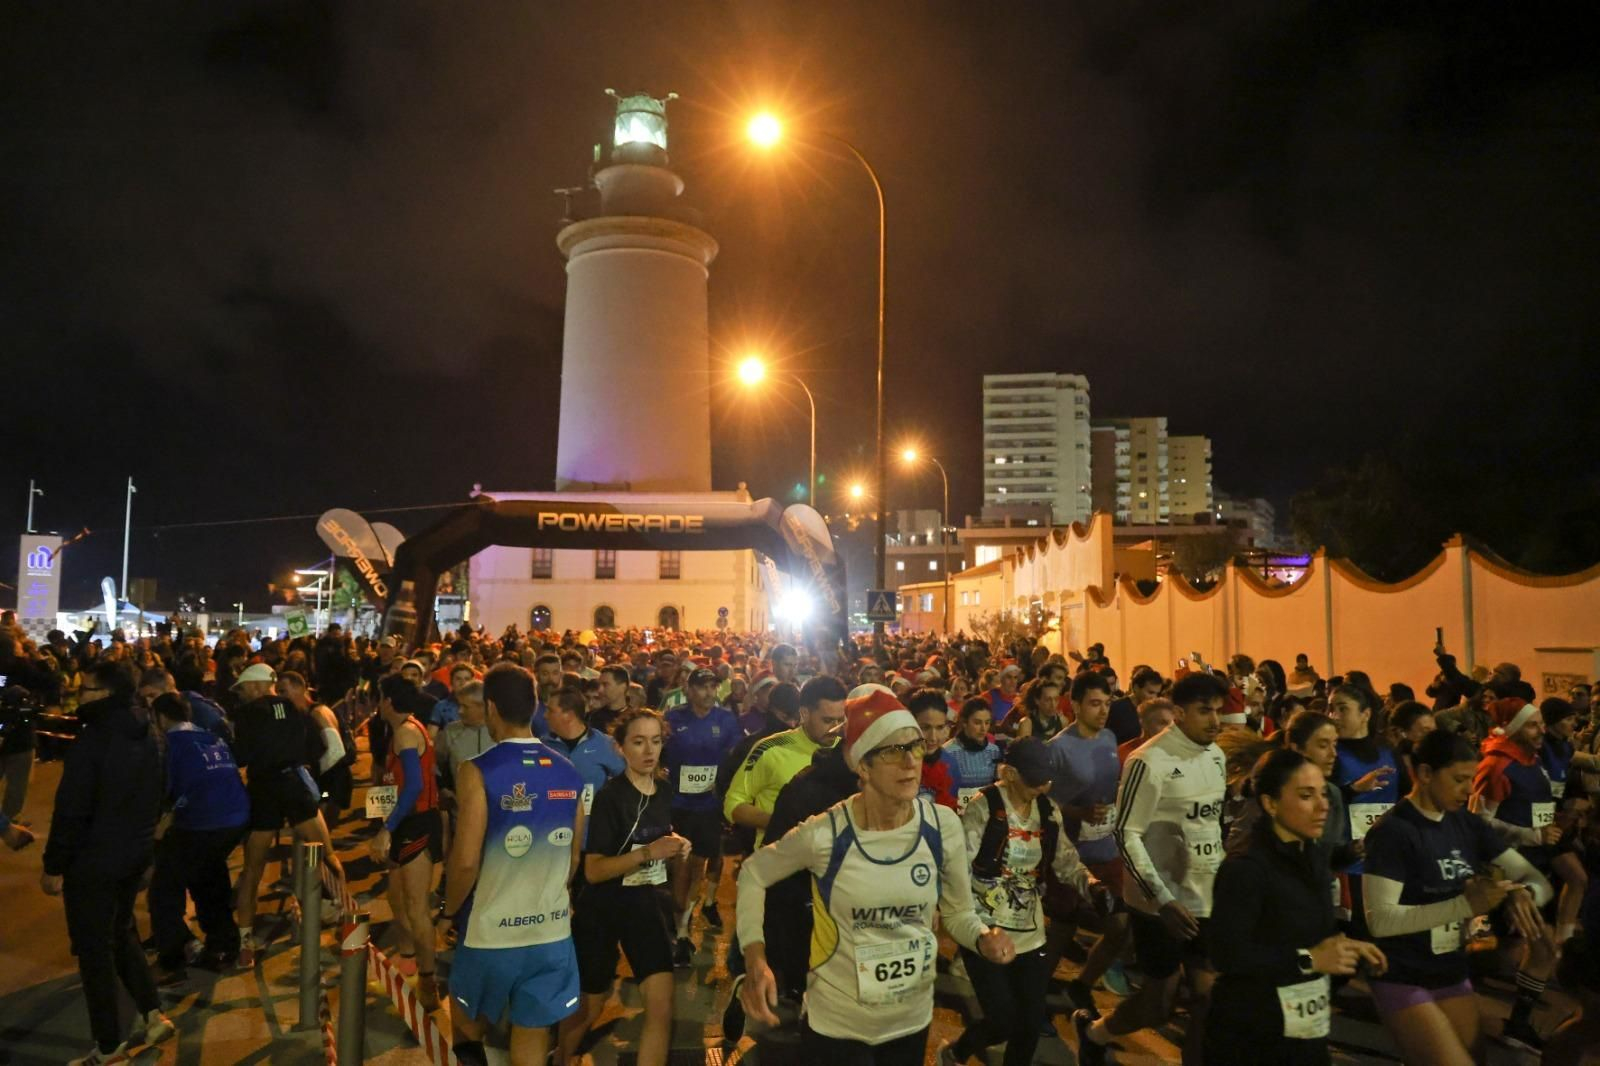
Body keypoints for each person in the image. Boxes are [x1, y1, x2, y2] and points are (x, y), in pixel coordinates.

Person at [737, 689, 1015, 1066]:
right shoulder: (826, 833)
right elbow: (754, 873)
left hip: (910, 1020)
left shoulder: (942, 826)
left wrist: (983, 937)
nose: (909, 763)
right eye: (891, 751)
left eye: (914, 747)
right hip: (837, 1023)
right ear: (862, 767)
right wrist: (755, 958)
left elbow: (958, 914)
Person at [1363, 729, 1553, 1064]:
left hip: (1450, 967)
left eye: (1472, 779)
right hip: (1402, 972)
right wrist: (1465, 905)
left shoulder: (1466, 823)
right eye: (1459, 779)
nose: (1469, 790)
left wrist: (1521, 891)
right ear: (1424, 774)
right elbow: (1380, 921)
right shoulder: (1394, 831)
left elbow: (1535, 878)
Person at [1074, 671, 1230, 1066]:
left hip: (1206, 898)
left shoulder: (1217, 755)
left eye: (1218, 711)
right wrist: (1162, 900)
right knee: (1159, 1004)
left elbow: (1213, 824)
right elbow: (1127, 834)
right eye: (1204, 712)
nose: (1215, 720)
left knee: (1207, 998)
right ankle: (1095, 1034)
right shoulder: (1149, 761)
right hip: (1156, 905)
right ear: (1178, 712)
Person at [1206, 748, 1387, 1065]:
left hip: (1305, 1032)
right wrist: (1310, 959)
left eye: (1323, 794)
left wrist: (1344, 946)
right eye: (1306, 796)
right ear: (1270, 803)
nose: (1323, 806)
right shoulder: (1246, 867)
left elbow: (1298, 930)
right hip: (1252, 1035)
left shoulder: (1311, 853)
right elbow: (1227, 954)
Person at [444, 662, 585, 1066]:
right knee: (532, 1033)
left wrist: (447, 912)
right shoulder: (568, 772)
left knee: (468, 1026)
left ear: (491, 707)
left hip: (489, 932)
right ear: (534, 705)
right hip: (550, 932)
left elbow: (466, 861)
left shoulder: (477, 770)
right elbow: (574, 855)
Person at [41, 660, 175, 1066]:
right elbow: (159, 791)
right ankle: (152, 1013)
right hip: (133, 853)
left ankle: (108, 1047)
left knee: (94, 951)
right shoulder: (149, 730)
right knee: (120, 933)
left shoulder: (94, 739)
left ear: (107, 694)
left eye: (87, 689)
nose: (81, 696)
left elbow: (71, 811)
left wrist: (54, 865)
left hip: (94, 859)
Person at [942, 738, 1106, 1066]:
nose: (1042, 786)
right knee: (1002, 1019)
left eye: (1046, 778)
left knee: (1029, 1024)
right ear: (1011, 773)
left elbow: (1065, 860)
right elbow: (959, 864)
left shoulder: (1047, 811)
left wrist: (1093, 886)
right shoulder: (984, 807)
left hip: (1030, 933)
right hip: (984, 930)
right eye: (1034, 779)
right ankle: (956, 1052)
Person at [559, 708, 689, 1066]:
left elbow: (657, 836)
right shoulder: (608, 799)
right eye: (638, 742)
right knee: (590, 1007)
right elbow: (595, 870)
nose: (649, 751)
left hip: (646, 907)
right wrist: (650, 852)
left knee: (661, 1010)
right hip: (602, 910)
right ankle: (561, 1058)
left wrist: (676, 843)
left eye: (656, 741)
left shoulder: (663, 790)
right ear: (620, 748)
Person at [231, 662, 344, 969]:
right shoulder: (295, 710)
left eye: (242, 688)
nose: (240, 695)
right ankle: (347, 918)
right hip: (294, 784)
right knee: (329, 855)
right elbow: (318, 749)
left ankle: (245, 945)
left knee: (252, 870)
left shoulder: (246, 714)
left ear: (254, 686)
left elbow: (240, 754)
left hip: (264, 788)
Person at [1469, 697, 1561, 1050]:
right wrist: (1530, 835)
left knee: (1507, 947)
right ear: (1512, 728)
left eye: (1541, 723)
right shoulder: (1497, 766)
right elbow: (1479, 822)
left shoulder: (1532, 760)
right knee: (1544, 948)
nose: (1542, 730)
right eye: (1533, 724)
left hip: (1537, 863)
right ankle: (1515, 1023)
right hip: (1510, 867)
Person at [148, 692, 250, 978]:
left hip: (203, 822)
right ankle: (223, 944)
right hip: (235, 818)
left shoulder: (171, 745)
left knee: (164, 888)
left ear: (162, 717)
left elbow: (169, 789)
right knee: (209, 875)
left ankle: (176, 952)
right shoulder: (211, 738)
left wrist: (163, 819)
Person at [1047, 671, 1131, 1010]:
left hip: (1106, 849)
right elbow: (1042, 802)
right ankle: (1035, 998)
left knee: (1121, 925)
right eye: (1095, 703)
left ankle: (1082, 985)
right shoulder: (1058, 749)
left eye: (1107, 703)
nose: (1102, 711)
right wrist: (1079, 814)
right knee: (1061, 930)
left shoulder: (1109, 739)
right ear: (1075, 704)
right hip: (1069, 853)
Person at [370, 674, 445, 1006]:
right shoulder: (403, 729)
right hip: (404, 821)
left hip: (415, 824)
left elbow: (414, 786)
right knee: (397, 899)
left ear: (388, 701)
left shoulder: (405, 732)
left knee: (416, 907)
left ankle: (429, 981)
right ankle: (407, 960)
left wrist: (387, 828)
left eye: (380, 698)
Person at [661, 666, 742, 959]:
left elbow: (735, 760)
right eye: (703, 686)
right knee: (680, 865)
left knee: (703, 862)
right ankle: (680, 928)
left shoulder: (727, 720)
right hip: (679, 806)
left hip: (710, 807)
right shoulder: (672, 719)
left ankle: (691, 917)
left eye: (713, 686)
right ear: (689, 690)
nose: (709, 692)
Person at [1328, 682, 1398, 936]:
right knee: (1357, 932)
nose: (1334, 716)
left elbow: (1407, 798)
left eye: (1342, 709)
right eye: (1331, 709)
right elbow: (1321, 802)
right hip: (1348, 860)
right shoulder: (1331, 754)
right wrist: (1353, 789)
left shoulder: (1388, 752)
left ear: (1365, 714)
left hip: (1387, 858)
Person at [542, 683, 625, 841]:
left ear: (569, 715)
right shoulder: (542, 746)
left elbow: (625, 785)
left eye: (551, 710)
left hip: (593, 840)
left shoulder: (606, 745)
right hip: (550, 841)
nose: (545, 715)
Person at [277, 670, 351, 831]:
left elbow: (336, 750)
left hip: (331, 784)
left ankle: (318, 857)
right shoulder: (300, 715)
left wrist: (312, 774)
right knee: (309, 834)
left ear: (300, 689)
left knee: (318, 834)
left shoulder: (318, 712)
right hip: (321, 783)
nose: (279, 696)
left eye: (283, 691)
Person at [943, 697, 1001, 810]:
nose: (983, 728)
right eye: (977, 722)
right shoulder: (948, 752)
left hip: (985, 812)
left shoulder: (994, 751)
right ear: (964, 722)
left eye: (987, 722)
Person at [907, 688, 958, 809]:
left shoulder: (950, 764)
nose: (933, 737)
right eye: (925, 728)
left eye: (939, 728)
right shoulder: (896, 761)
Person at [1107, 666, 1161, 746]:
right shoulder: (1117, 708)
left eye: (1157, 693)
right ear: (1136, 688)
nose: (1154, 697)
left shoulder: (1155, 711)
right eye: (1150, 692)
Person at [1119, 696, 1175, 764]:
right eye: (1163, 723)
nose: (1169, 728)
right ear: (1144, 724)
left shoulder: (1176, 754)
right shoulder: (1124, 754)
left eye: (1172, 724)